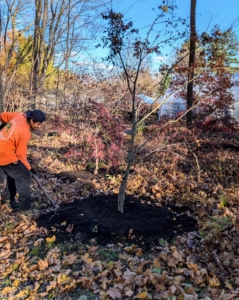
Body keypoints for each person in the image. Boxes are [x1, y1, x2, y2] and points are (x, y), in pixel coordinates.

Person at [0, 109, 46, 217]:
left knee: (14, 173)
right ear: (31, 120)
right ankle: (25, 209)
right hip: (4, 154)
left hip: (3, 148)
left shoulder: (19, 115)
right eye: (38, 124)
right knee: (24, 176)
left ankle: (9, 200)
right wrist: (29, 169)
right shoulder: (24, 132)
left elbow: (2, 116)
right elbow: (21, 156)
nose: (39, 126)